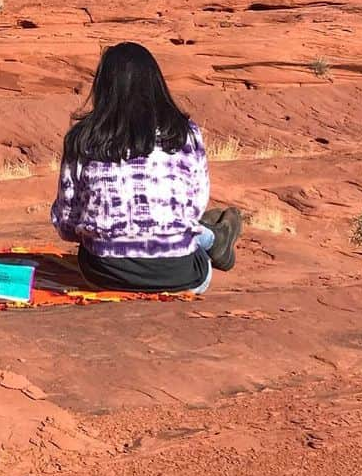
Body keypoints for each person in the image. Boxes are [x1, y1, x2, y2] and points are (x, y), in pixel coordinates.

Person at [51, 41, 242, 295]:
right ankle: (214, 239)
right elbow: (195, 206)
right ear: (155, 84)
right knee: (190, 229)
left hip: (104, 275)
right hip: (182, 277)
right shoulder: (185, 134)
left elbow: (66, 224)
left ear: (104, 86)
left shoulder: (82, 138)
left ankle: (213, 237)